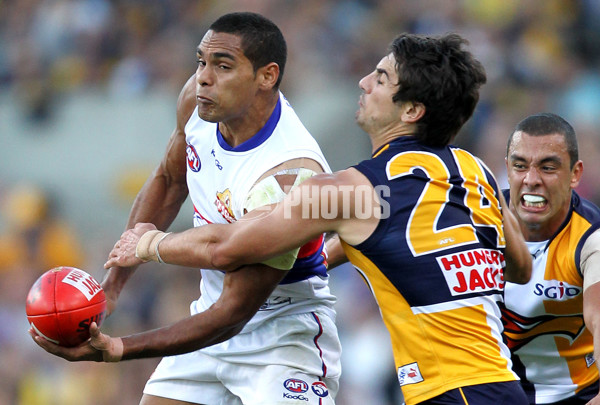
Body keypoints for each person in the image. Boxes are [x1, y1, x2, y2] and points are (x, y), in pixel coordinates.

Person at [91, 32, 533, 405]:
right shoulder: (474, 172)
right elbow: (519, 266)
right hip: (503, 380)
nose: (363, 82)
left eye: (380, 78)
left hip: (447, 392)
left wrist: (149, 244)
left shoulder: (346, 191)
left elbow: (226, 248)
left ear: (411, 111)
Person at [31, 11, 341, 405]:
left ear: (267, 76)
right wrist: (113, 286)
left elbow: (233, 311)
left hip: (281, 337)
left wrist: (121, 348)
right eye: (202, 61)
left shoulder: (290, 173)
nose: (204, 77)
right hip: (208, 318)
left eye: (223, 65)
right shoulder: (198, 101)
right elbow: (169, 180)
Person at [500, 113, 600, 405]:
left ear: (575, 174)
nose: (531, 180)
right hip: (494, 393)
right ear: (507, 169)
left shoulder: (592, 241)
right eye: (520, 166)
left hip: (580, 397)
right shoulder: (477, 224)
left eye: (548, 167)